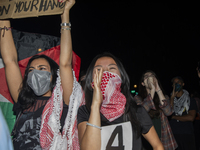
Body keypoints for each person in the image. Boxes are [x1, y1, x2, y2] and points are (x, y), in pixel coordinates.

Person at [0, 0, 82, 149]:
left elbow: (64, 63)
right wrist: (4, 11)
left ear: (53, 75)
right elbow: (10, 60)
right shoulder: (23, 102)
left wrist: (65, 15)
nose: (36, 73)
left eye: (42, 68)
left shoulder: (63, 102)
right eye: (31, 70)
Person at [77, 53, 164, 150]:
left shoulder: (136, 111)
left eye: (112, 68)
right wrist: (96, 105)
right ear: (91, 81)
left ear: (121, 78)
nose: (105, 72)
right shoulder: (85, 112)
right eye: (98, 69)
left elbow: (158, 146)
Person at [134, 70, 177, 150]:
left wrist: (157, 89)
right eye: (146, 76)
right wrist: (152, 91)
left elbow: (169, 112)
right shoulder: (137, 99)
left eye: (152, 76)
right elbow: (140, 113)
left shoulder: (163, 97)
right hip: (147, 141)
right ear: (143, 83)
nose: (150, 77)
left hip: (164, 139)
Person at [169, 76, 197, 150]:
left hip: (187, 134)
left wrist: (174, 117)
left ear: (183, 84)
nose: (176, 84)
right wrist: (172, 98)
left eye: (178, 82)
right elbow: (169, 112)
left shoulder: (190, 100)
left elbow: (191, 117)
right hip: (173, 135)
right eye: (174, 83)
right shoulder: (169, 100)